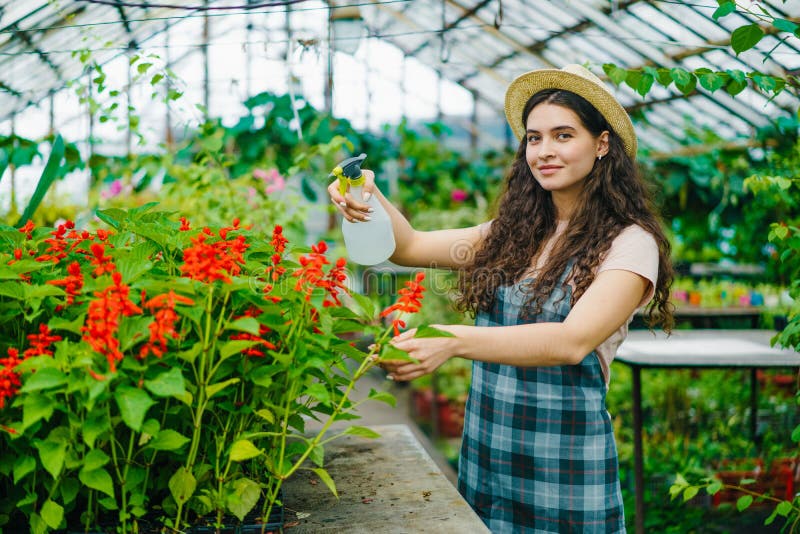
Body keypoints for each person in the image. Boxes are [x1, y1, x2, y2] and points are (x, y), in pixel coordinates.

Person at [327, 64, 673, 533]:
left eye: (563, 135)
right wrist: (366, 193)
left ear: (602, 144)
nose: (544, 151)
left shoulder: (630, 244)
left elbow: (571, 342)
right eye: (534, 138)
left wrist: (449, 339)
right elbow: (408, 247)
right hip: (488, 455)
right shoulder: (513, 235)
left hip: (564, 466)